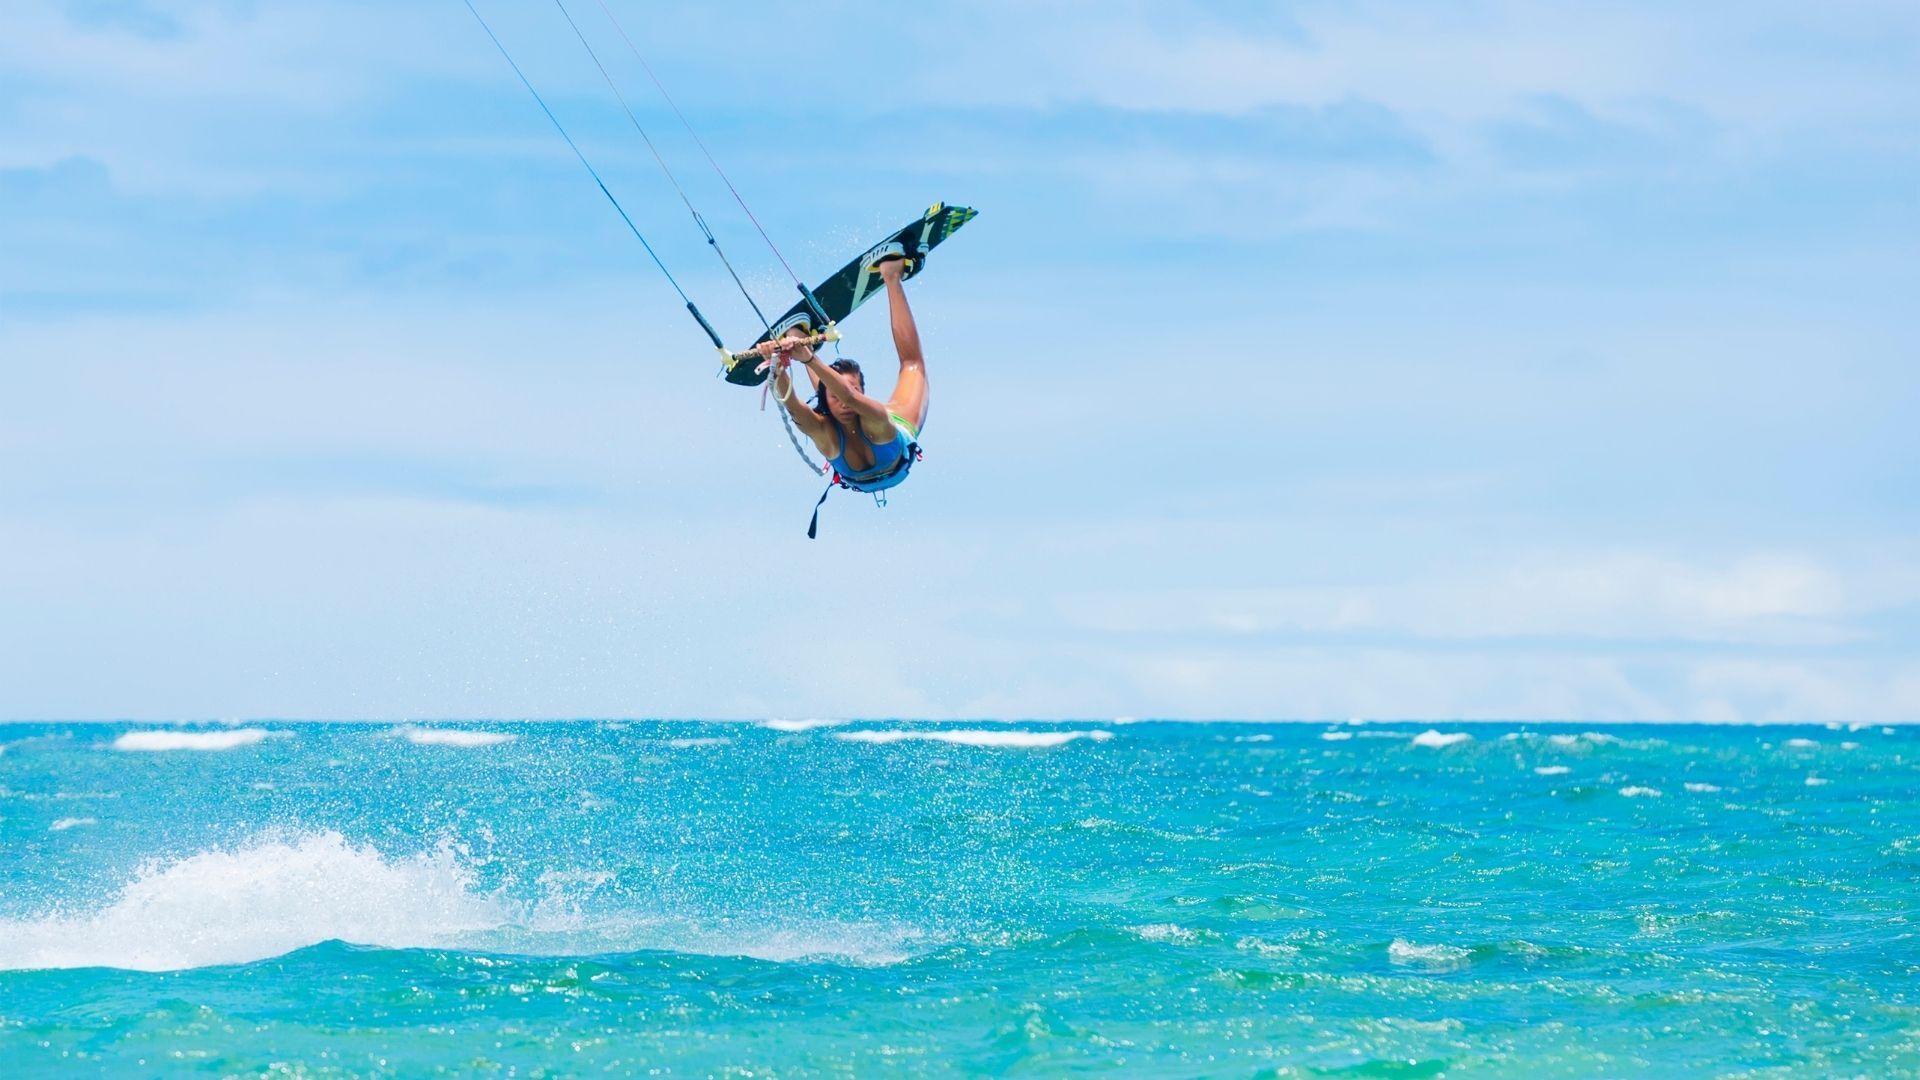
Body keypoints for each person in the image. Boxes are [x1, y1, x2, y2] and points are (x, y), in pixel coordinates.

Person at [758, 252, 927, 533]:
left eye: (855, 389)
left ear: (862, 392)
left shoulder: (876, 418)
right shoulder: (824, 431)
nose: (847, 399)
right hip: (877, 467)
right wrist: (775, 367)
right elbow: (794, 407)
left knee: (912, 366)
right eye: (838, 395)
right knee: (907, 368)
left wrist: (804, 360)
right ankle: (893, 273)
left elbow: (847, 397)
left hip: (892, 446)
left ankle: (891, 275)